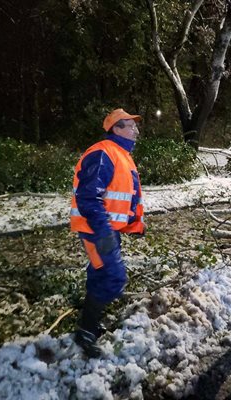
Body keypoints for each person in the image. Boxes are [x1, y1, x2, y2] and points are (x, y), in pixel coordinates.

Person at [70, 108, 145, 358]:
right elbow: (89, 196)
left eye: (135, 125)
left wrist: (132, 223)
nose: (136, 129)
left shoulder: (120, 154)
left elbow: (123, 196)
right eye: (130, 125)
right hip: (98, 232)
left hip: (107, 230)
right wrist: (104, 233)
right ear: (116, 128)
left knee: (99, 273)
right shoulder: (103, 152)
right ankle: (85, 331)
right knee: (114, 277)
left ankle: (88, 328)